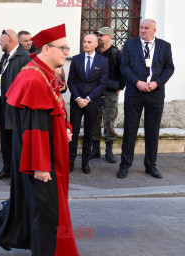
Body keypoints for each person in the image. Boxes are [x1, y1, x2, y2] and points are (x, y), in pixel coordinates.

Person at [0, 24, 80, 256]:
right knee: (47, 208)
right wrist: (40, 166)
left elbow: (55, 110)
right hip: (39, 157)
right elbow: (35, 128)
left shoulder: (42, 73)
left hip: (42, 152)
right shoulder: (33, 77)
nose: (66, 52)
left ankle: (6, 229)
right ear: (47, 49)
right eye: (63, 48)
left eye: (67, 48)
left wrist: (65, 128)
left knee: (34, 203)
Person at [117, 19, 174, 179]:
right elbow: (124, 66)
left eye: (146, 28)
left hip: (155, 94)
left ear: (154, 30)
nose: (142, 30)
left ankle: (151, 165)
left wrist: (157, 83)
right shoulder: (130, 45)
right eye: (141, 27)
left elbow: (169, 67)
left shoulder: (164, 46)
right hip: (135, 92)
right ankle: (125, 165)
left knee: (152, 131)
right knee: (129, 130)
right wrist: (137, 82)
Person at [0, 29, 31, 180]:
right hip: (3, 105)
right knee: (5, 139)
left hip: (16, 108)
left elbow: (28, 85)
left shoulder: (25, 57)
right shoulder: (6, 56)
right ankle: (7, 168)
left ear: (11, 40)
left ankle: (17, 174)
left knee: (16, 141)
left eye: (2, 40)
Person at [68, 34, 108, 174]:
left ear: (96, 44)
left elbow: (102, 84)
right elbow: (71, 81)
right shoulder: (76, 59)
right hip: (77, 102)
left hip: (92, 103)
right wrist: (78, 98)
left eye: (89, 42)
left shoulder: (102, 61)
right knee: (73, 132)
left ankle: (85, 163)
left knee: (89, 133)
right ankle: (70, 162)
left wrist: (89, 98)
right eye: (84, 41)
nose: (86, 44)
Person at [91, 27, 125, 163]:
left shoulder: (116, 53)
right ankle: (95, 150)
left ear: (109, 37)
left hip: (110, 95)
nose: (99, 37)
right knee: (94, 122)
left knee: (109, 123)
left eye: (102, 35)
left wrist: (118, 90)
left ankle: (109, 152)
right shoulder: (94, 52)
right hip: (94, 94)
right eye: (98, 35)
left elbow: (123, 74)